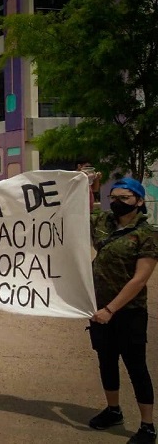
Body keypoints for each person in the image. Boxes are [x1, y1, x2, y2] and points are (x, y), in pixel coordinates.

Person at [87, 177, 156, 444]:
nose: (117, 202)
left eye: (124, 198)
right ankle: (113, 410)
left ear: (139, 201)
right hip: (99, 311)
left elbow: (139, 279)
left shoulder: (147, 234)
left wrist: (111, 309)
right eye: (113, 197)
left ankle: (147, 426)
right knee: (106, 361)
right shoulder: (104, 222)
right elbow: (83, 209)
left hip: (127, 312)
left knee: (136, 367)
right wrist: (88, 186)